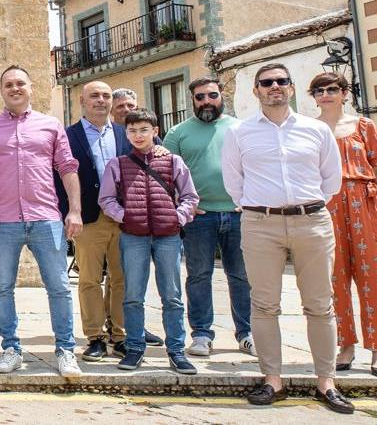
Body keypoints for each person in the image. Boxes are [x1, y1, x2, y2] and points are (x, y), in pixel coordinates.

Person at [221, 63, 352, 414]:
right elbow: (234, 180)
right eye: (267, 82)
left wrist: (305, 206)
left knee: (320, 304)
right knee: (264, 304)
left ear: (291, 88)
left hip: (312, 221)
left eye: (281, 81)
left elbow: (331, 179)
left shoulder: (316, 130)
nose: (274, 86)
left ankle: (326, 382)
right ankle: (272, 380)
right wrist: (259, 207)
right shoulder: (239, 132)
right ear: (256, 91)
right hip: (260, 223)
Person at [0, 65, 82, 377]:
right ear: (1, 91)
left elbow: (67, 167)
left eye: (20, 83)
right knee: (2, 288)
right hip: (2, 222)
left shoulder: (51, 125)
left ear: (31, 88)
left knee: (59, 287)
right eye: (8, 84)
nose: (14, 88)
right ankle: (11, 349)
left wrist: (74, 210)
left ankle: (66, 350)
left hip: (46, 218)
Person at [98, 109, 200, 374]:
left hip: (168, 237)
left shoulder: (173, 161)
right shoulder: (118, 164)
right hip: (133, 236)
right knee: (133, 295)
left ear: (155, 131)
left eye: (144, 130)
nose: (138, 135)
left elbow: (190, 196)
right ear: (126, 133)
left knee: (172, 296)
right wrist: (125, 216)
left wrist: (178, 217)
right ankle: (134, 348)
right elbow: (106, 199)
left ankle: (176, 351)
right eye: (132, 130)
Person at [162, 77, 253, 358]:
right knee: (199, 276)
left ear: (221, 95)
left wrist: (248, 201)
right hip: (198, 218)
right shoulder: (177, 133)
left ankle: (247, 334)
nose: (206, 101)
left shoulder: (241, 129)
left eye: (212, 95)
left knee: (241, 276)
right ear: (192, 100)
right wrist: (181, 205)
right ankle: (201, 334)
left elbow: (255, 167)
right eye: (199, 97)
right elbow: (165, 176)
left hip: (238, 215)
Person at [309, 72, 377, 377]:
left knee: (373, 275)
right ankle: (345, 345)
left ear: (344, 93)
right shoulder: (310, 129)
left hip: (364, 200)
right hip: (327, 204)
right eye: (319, 90)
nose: (325, 94)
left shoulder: (364, 125)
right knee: (335, 277)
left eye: (331, 89)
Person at [57, 81, 129, 361]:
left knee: (121, 278)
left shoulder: (124, 133)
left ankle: (120, 335)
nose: (101, 100)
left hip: (123, 218)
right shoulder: (68, 136)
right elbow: (58, 176)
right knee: (89, 279)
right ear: (82, 101)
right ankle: (95, 337)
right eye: (94, 96)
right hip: (88, 217)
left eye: (106, 96)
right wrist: (68, 212)